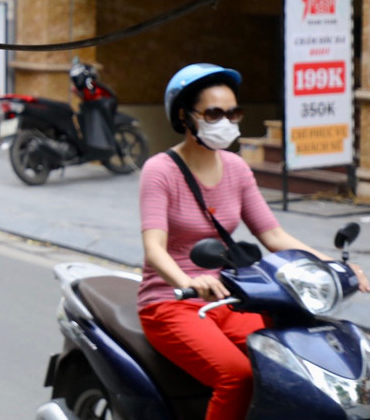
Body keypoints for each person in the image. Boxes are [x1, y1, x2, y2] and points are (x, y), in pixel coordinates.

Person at [139, 63, 369, 420]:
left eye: (233, 112)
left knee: (287, 363)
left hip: (230, 297)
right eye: (214, 113)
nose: (227, 121)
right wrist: (188, 282)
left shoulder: (236, 167)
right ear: (185, 117)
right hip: (173, 301)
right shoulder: (160, 170)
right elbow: (154, 248)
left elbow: (274, 235)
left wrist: (331, 265)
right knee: (237, 376)